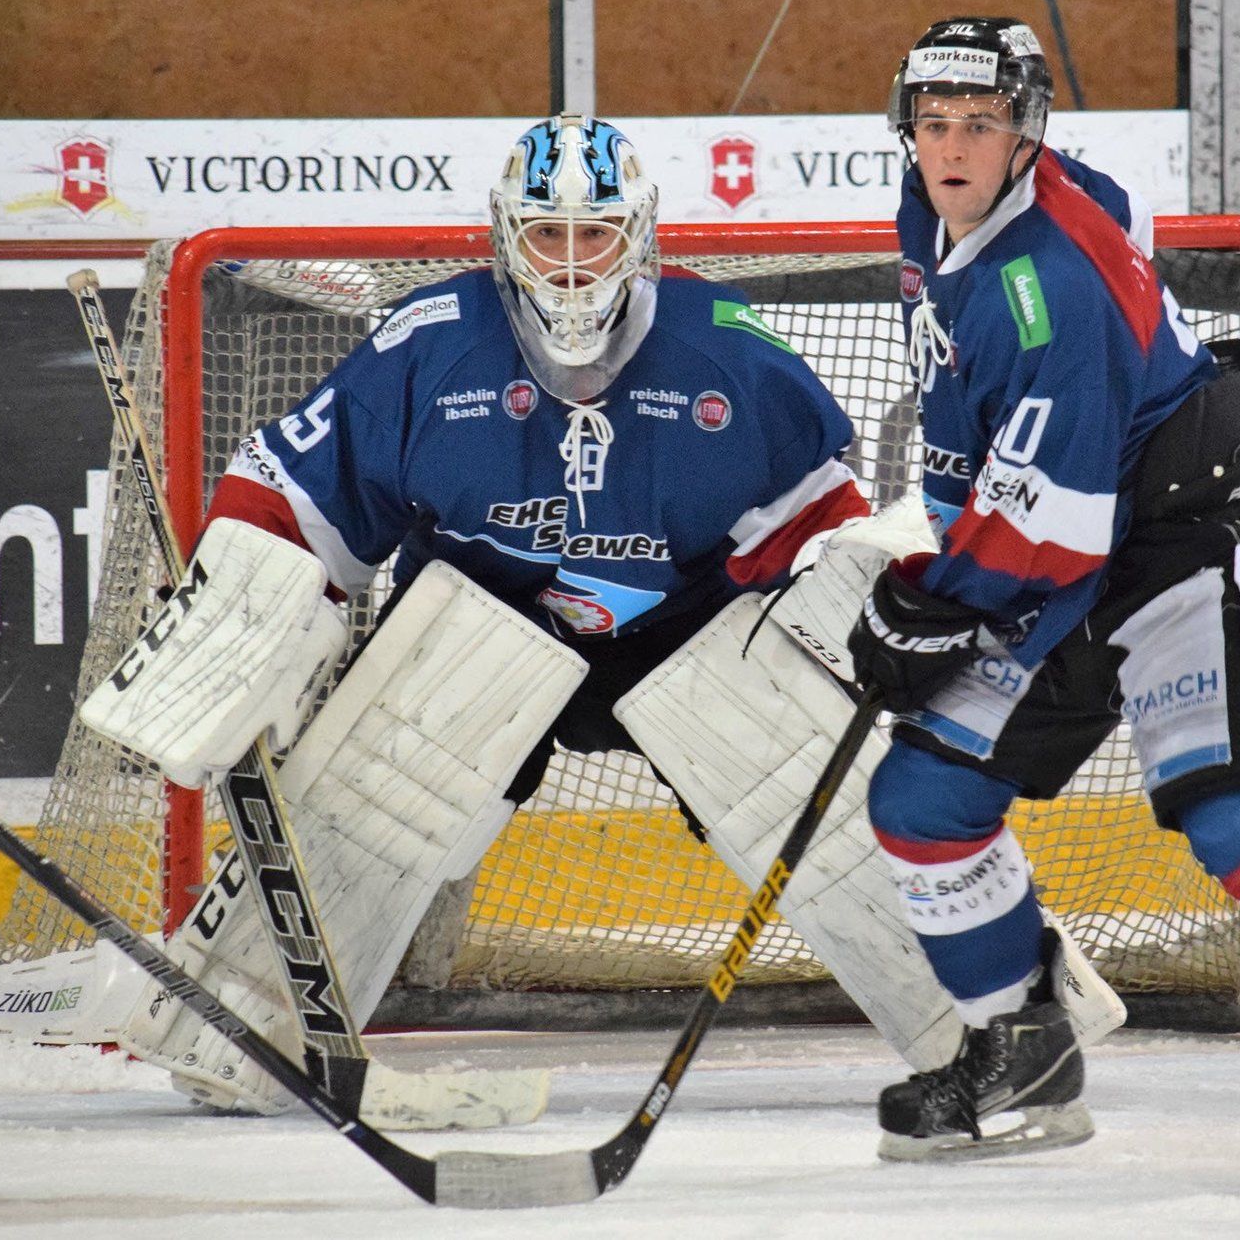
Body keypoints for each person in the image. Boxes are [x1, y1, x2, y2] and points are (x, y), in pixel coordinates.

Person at [78, 112, 1085, 1120]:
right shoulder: (430, 346)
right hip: (479, 624)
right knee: (376, 787)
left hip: (684, 636)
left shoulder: (728, 356)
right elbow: (292, 493)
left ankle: (1005, 1020)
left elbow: (817, 533)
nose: (568, 264)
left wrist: (859, 608)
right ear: (504, 234)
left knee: (806, 777)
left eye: (593, 234)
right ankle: (243, 1018)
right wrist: (256, 607)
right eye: (545, 236)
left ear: (638, 234)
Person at [845, 15, 1240, 1185]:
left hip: (1194, 536)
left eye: (980, 126)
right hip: (1073, 535)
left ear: (1024, 131)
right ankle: (1023, 1044)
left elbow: (1055, 525)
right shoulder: (934, 216)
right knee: (924, 797)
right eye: (934, 123)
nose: (952, 148)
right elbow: (1016, 444)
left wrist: (924, 603)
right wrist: (935, 572)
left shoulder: (1050, 283)